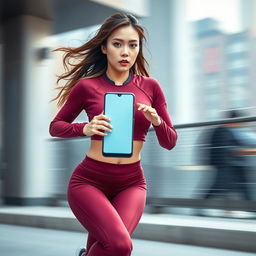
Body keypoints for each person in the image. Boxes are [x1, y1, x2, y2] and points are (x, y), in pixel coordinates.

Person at [49, 13, 177, 256]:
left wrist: (157, 122)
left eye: (133, 45)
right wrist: (84, 128)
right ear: (105, 47)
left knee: (111, 247)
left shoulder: (151, 87)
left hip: (132, 183)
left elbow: (170, 142)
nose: (125, 52)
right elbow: (55, 126)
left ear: (139, 48)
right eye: (117, 44)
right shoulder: (87, 87)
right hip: (89, 181)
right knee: (120, 245)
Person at [204, 110, 256, 201]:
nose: (241, 125)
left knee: (243, 190)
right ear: (234, 121)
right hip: (229, 168)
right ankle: (199, 206)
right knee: (217, 188)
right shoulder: (224, 131)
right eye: (240, 122)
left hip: (234, 167)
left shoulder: (228, 131)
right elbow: (234, 149)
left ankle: (251, 210)